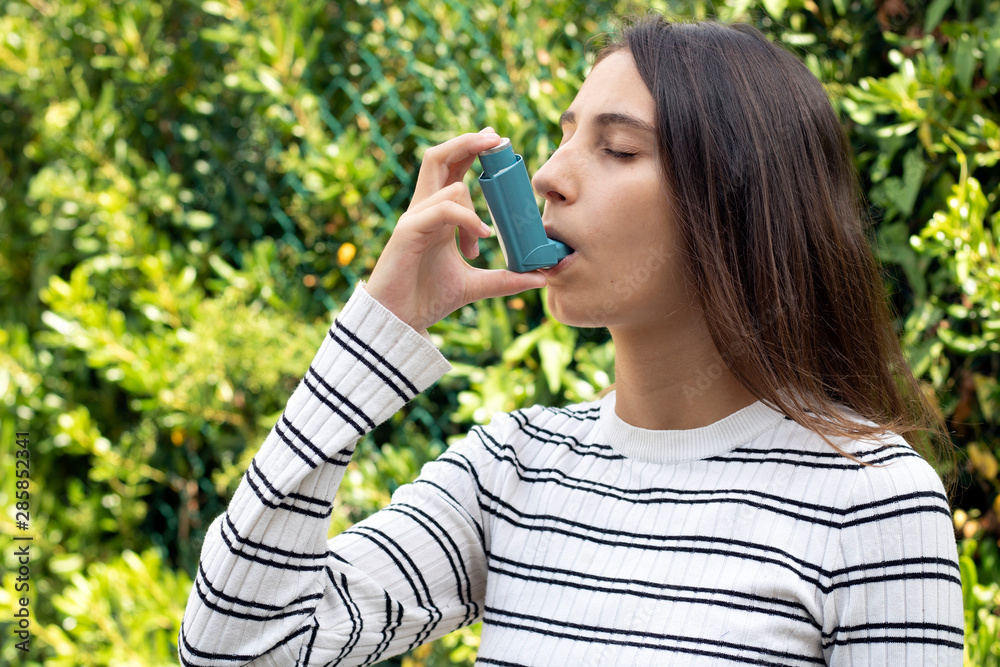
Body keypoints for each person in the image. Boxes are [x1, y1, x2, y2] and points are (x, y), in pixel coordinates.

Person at [179, 16, 963, 666]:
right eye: (563, 137)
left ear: (738, 199)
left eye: (618, 148)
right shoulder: (510, 472)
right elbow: (237, 646)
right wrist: (378, 331)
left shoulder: (869, 500)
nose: (550, 175)